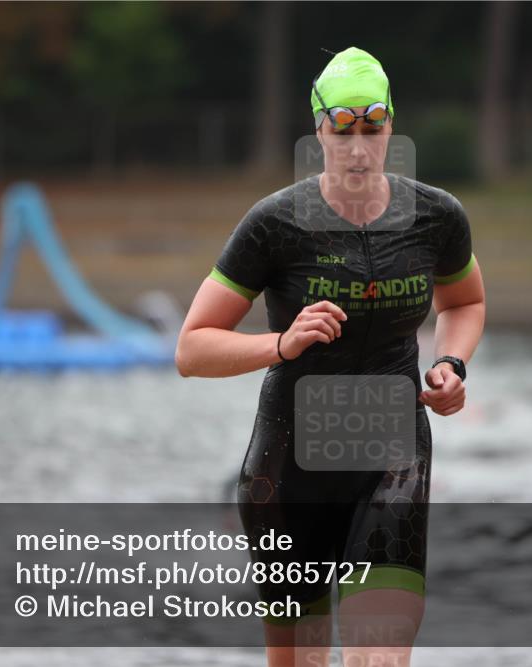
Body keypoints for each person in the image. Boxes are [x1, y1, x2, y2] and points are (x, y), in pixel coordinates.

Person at [176, 46, 485, 667]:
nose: (359, 150)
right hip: (289, 468)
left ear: (391, 125)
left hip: (393, 454)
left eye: (373, 129)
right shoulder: (275, 224)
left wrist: (451, 366)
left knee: (379, 654)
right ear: (318, 129)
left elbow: (465, 303)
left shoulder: (436, 217)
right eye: (342, 132)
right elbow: (192, 348)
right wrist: (282, 343)